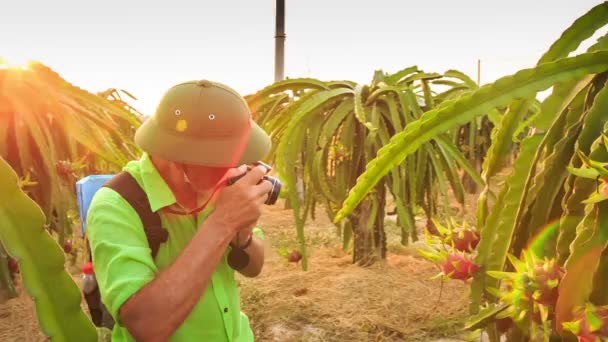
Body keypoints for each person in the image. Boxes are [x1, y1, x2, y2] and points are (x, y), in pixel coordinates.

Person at [86, 80, 273, 341]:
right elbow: (147, 326)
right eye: (226, 157)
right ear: (179, 155)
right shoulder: (116, 205)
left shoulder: (222, 188)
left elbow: (254, 268)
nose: (237, 166)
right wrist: (222, 223)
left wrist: (243, 234)